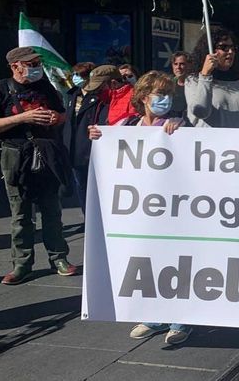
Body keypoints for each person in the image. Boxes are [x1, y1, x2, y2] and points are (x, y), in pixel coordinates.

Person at [87, 71, 191, 345]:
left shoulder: (177, 125)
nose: (166, 100)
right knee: (148, 261)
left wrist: (180, 127)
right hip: (141, 210)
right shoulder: (127, 125)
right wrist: (98, 135)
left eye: (169, 95)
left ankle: (181, 320)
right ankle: (154, 317)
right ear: (144, 97)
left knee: (175, 262)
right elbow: (108, 149)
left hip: (173, 209)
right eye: (160, 94)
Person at [0, 47, 76, 285]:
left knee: (52, 210)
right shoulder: (3, 88)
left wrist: (57, 118)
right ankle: (22, 264)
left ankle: (59, 258)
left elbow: (63, 114)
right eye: (30, 64)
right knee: (20, 214)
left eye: (36, 63)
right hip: (16, 155)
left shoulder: (45, 87)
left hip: (46, 154)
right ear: (15, 66)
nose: (35, 67)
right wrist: (22, 118)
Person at [63, 65, 123, 209]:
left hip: (101, 151)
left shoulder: (107, 98)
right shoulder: (73, 94)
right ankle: (88, 220)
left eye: (81, 74)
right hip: (77, 149)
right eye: (75, 74)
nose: (77, 77)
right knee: (82, 185)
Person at [185, 27, 239, 130]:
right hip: (210, 144)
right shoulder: (193, 80)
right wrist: (205, 76)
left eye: (233, 48)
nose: (230, 52)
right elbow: (201, 112)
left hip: (238, 143)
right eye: (224, 47)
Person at [170, 51, 190, 116]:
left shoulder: (195, 85)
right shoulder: (168, 84)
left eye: (182, 64)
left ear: (189, 65)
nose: (178, 67)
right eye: (175, 64)